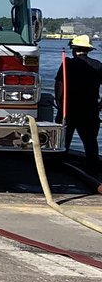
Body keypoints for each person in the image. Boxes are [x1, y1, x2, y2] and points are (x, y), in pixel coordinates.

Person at [54, 35, 102, 177]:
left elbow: (59, 85)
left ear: (74, 50)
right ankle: (93, 171)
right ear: (88, 50)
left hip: (68, 109)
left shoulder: (67, 64)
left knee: (63, 141)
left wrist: (59, 102)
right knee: (90, 143)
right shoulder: (98, 65)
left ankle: (58, 169)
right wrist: (101, 105)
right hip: (90, 110)